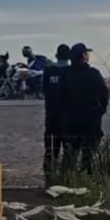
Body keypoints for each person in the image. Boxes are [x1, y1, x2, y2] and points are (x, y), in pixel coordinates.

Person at [60, 42, 110, 173]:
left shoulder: (65, 74)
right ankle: (86, 179)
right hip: (91, 122)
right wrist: (101, 110)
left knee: (69, 156)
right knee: (89, 156)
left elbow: (59, 96)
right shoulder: (94, 74)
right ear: (83, 56)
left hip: (71, 121)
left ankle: (66, 180)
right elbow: (104, 94)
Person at [41, 44, 70, 179]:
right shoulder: (70, 72)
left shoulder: (48, 71)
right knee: (67, 146)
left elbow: (44, 90)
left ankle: (49, 172)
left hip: (51, 112)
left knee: (50, 148)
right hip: (67, 114)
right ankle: (65, 174)